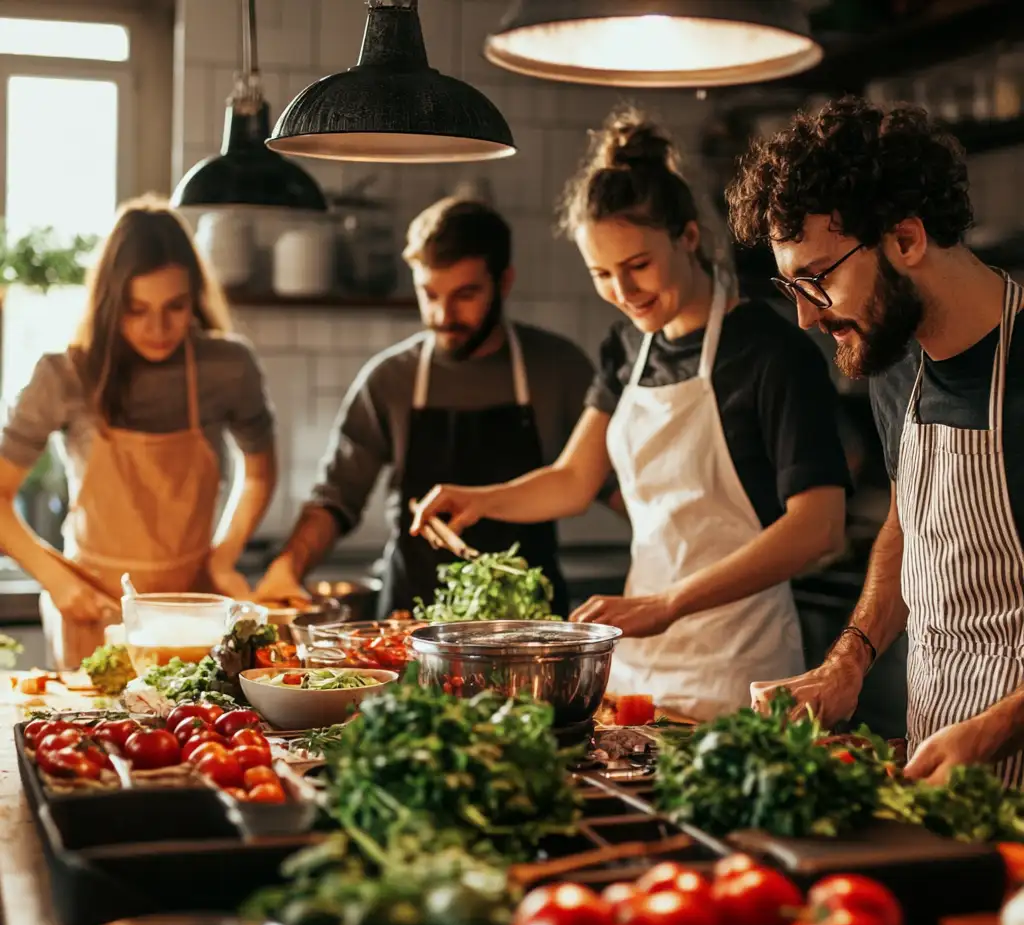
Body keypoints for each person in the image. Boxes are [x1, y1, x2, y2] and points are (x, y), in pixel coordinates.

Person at [412, 110, 850, 722]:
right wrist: (478, 497)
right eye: (602, 275)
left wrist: (669, 602)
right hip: (638, 662)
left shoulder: (773, 354)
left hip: (738, 670)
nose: (623, 291)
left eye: (638, 265)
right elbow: (572, 480)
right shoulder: (626, 348)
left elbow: (819, 527)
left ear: (688, 238)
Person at [729, 96, 1024, 785]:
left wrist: (996, 729)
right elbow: (908, 524)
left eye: (818, 278)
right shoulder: (895, 367)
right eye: (789, 285)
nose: (803, 317)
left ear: (906, 240)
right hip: (939, 780)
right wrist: (850, 659)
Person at [254, 197, 596, 618]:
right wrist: (288, 565)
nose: (442, 315)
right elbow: (336, 497)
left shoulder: (558, 370)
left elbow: (618, 485)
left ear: (503, 282)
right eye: (429, 294)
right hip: (410, 628)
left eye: (465, 295)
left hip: (531, 635)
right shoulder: (390, 380)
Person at [0, 197, 277, 669]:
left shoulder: (227, 366)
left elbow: (259, 471)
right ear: (109, 301)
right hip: (94, 607)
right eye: (136, 309)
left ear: (196, 297)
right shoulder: (65, 374)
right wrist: (57, 580)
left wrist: (225, 555)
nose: (157, 328)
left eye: (175, 306)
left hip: (195, 609)